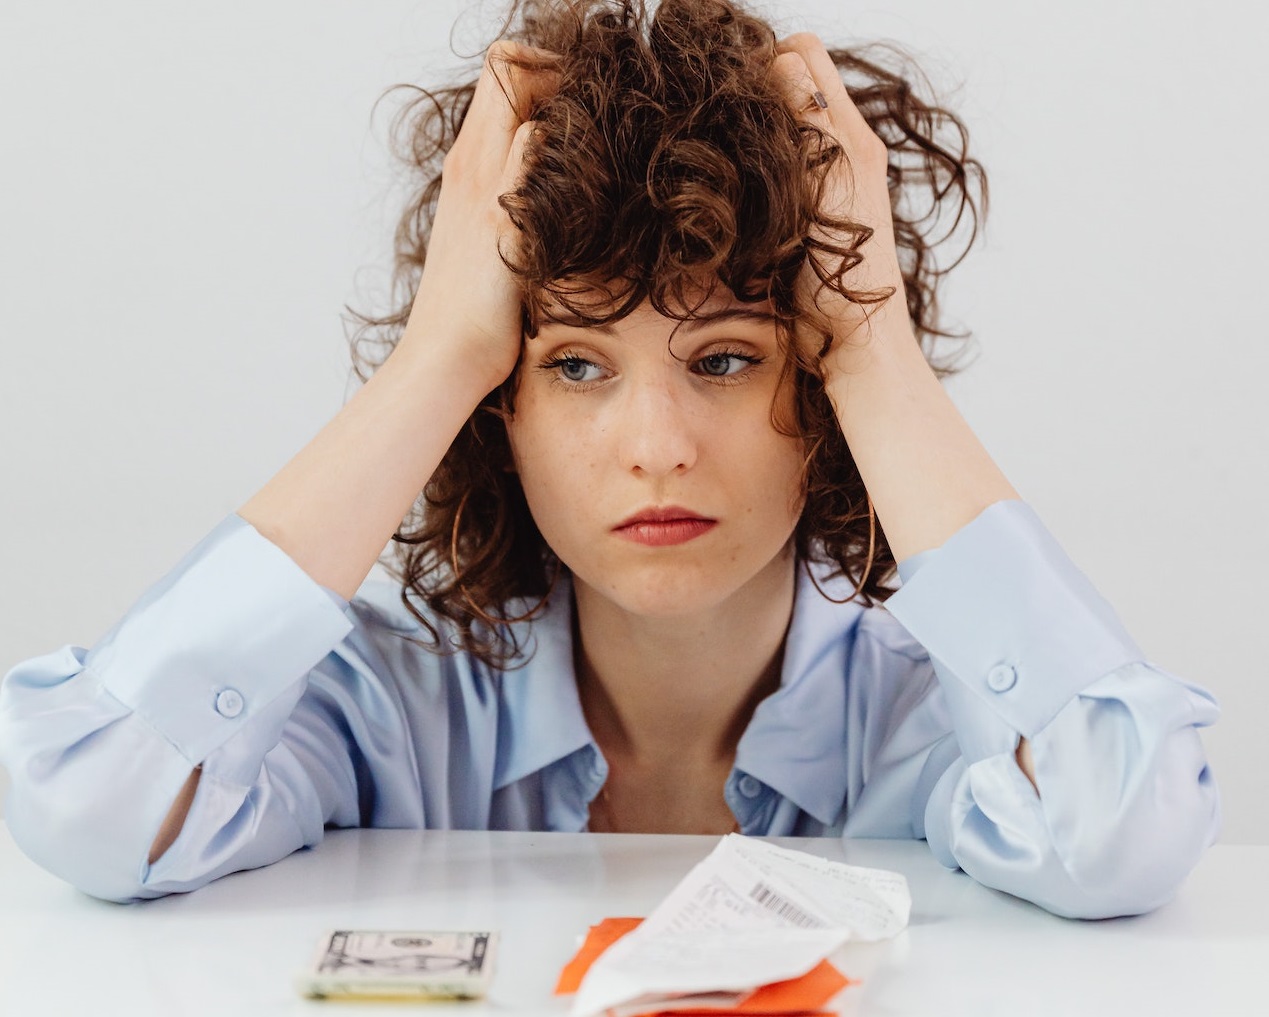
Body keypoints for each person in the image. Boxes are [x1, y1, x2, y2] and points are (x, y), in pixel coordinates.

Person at [0, 0, 1219, 918]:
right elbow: (96, 808)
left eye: (730, 359)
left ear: (822, 382)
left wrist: (870, 333)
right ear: (501, 407)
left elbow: (1115, 832)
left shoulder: (922, 720)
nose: (657, 450)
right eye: (577, 366)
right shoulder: (392, 714)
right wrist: (439, 356)